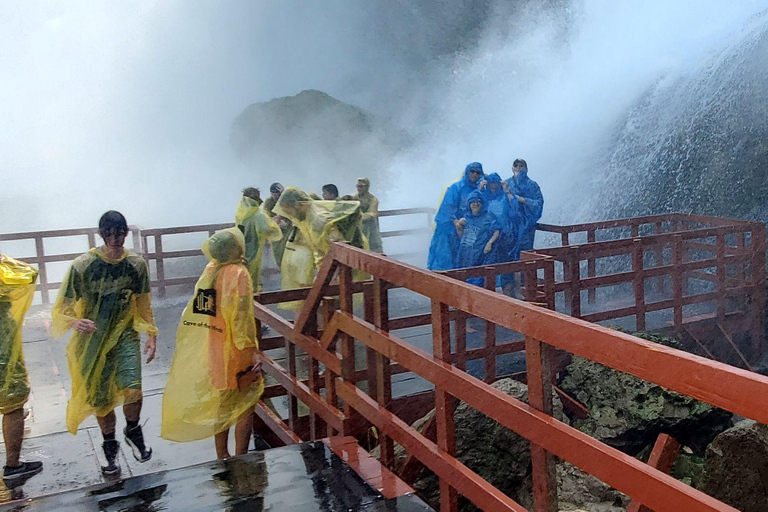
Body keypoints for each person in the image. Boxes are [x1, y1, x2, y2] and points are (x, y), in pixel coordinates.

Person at [51, 211, 157, 477]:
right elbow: (61, 308)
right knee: (101, 399)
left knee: (133, 387)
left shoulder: (136, 264)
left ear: (126, 233)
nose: (114, 240)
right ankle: (110, 446)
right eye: (109, 234)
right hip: (91, 340)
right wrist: (75, 322)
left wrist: (151, 334)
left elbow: (143, 303)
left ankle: (133, 430)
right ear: (100, 235)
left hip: (124, 335)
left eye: (119, 233)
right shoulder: (83, 266)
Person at [161, 228, 264, 459]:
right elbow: (240, 318)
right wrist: (252, 350)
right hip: (237, 350)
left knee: (223, 402)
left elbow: (202, 309)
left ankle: (221, 455)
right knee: (245, 405)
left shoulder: (210, 270)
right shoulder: (239, 274)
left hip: (216, 346)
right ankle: (240, 456)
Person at [273, 187, 365, 310]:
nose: (290, 215)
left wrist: (332, 277)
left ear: (298, 205)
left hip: (336, 271)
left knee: (330, 310)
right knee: (324, 310)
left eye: (289, 211)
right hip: (327, 269)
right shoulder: (307, 216)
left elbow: (341, 247)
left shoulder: (319, 219)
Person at [0, 255, 43, 486]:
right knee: (13, 405)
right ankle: (13, 465)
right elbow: (29, 274)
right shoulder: (2, 272)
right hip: (2, 350)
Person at [427, 162, 484, 271]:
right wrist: (456, 222)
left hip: (464, 227)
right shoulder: (456, 187)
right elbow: (448, 206)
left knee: (460, 256)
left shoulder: (478, 189)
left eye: (478, 172)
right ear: (467, 171)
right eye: (472, 171)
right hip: (447, 226)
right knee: (443, 256)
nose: (474, 174)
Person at [480, 172, 522, 294]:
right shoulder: (483, 195)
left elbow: (515, 208)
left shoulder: (504, 196)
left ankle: (507, 292)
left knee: (506, 264)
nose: (493, 186)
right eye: (491, 183)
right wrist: (480, 187)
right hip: (487, 235)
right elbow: (472, 204)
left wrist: (507, 189)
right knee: (486, 263)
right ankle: (487, 293)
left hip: (505, 235)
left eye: (496, 183)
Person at [235, 188, 283, 294]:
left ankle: (242, 295)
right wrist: (275, 223)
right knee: (252, 275)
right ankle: (252, 297)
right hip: (254, 247)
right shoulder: (257, 214)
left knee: (242, 272)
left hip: (241, 246)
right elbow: (264, 228)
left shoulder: (241, 211)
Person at [456, 191, 500, 286]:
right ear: (469, 204)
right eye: (473, 202)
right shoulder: (466, 217)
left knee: (478, 278)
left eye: (478, 202)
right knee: (463, 277)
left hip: (480, 252)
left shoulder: (488, 216)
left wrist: (490, 243)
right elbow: (461, 235)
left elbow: (497, 230)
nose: (475, 204)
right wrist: (459, 226)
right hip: (466, 252)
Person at [506, 159, 543, 253]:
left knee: (525, 253)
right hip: (510, 225)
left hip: (527, 225)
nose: (518, 168)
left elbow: (538, 204)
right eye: (516, 165)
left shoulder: (532, 185)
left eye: (521, 166)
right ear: (512, 168)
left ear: (526, 169)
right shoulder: (506, 184)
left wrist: (523, 200)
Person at [263, 183, 291, 268]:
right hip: (276, 231)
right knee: (277, 253)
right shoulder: (269, 202)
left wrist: (287, 222)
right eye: (274, 195)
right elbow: (266, 216)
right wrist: (274, 222)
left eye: (278, 195)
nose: (276, 197)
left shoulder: (288, 201)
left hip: (289, 231)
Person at [353, 177, 383, 253]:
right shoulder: (353, 198)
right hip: (357, 229)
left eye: (362, 186)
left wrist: (359, 216)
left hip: (370, 228)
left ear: (367, 187)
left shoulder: (373, 199)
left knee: (374, 250)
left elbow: (371, 214)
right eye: (358, 186)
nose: (360, 189)